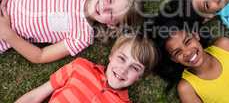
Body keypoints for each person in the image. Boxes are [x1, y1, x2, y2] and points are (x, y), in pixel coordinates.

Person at [0, 0, 142, 63]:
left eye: (111, 14)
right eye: (110, 0)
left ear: (111, 25)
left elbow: (40, 56)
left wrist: (7, 34)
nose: (105, 7)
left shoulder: (82, 37)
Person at [15, 34, 158, 103]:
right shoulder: (80, 66)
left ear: (140, 76)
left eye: (135, 67)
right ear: (111, 56)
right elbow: (37, 95)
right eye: (121, 58)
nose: (123, 69)